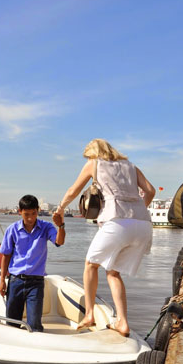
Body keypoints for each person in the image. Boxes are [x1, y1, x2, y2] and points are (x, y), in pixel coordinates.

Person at [54, 138, 155, 337]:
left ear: (94, 153)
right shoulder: (131, 166)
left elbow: (73, 191)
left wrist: (60, 209)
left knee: (90, 264)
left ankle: (89, 314)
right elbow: (150, 191)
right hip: (143, 224)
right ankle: (123, 323)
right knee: (113, 272)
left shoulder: (95, 163)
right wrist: (138, 209)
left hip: (117, 221)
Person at [0, 195, 66, 332]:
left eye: (33, 214)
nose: (30, 218)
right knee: (11, 323)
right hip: (15, 281)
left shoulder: (46, 227)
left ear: (38, 210)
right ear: (20, 212)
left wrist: (60, 226)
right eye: (26, 214)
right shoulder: (12, 229)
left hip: (36, 283)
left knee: (34, 325)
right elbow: (6, 255)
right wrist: (2, 281)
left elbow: (59, 242)